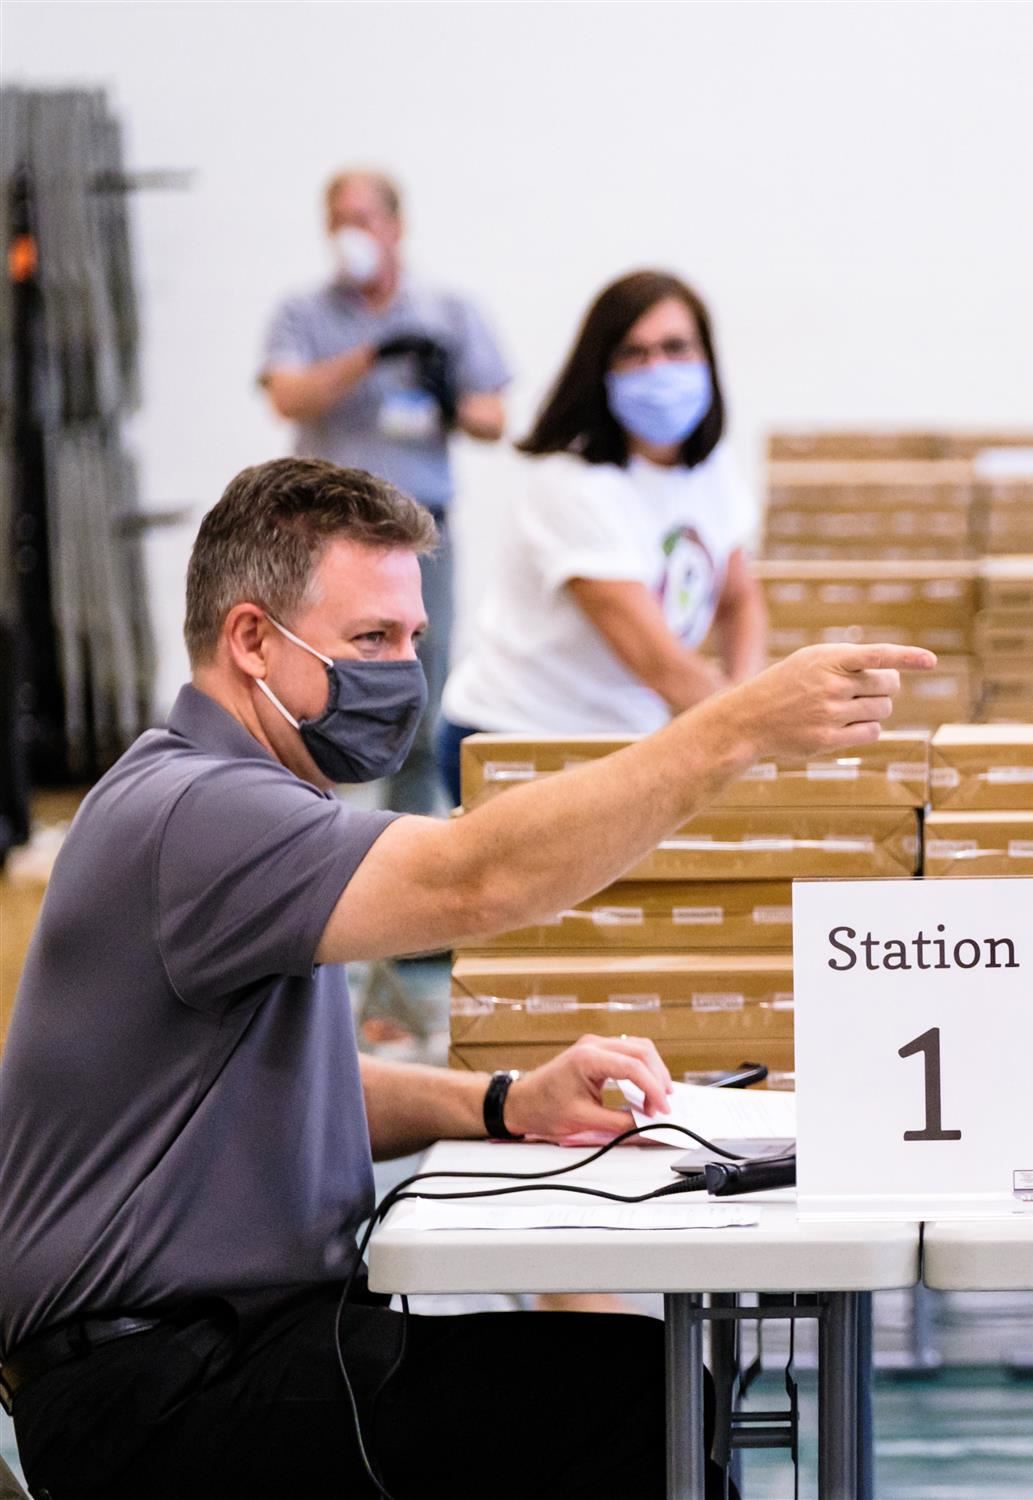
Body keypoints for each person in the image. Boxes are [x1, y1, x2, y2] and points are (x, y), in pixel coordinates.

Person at [0, 457, 931, 1498]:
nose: (401, 671)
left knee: (635, 1387)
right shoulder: (200, 812)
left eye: (411, 640)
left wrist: (504, 1101)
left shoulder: (222, 804)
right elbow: (479, 878)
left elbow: (297, 1090)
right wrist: (735, 728)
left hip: (212, 1354)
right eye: (368, 641)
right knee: (633, 1403)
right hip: (159, 1393)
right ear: (251, 639)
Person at [437, 269, 768, 806]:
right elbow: (657, 663)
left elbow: (740, 597)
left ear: (706, 358)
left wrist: (746, 692)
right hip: (518, 739)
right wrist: (754, 727)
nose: (657, 368)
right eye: (633, 354)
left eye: (675, 348)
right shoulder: (574, 488)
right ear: (602, 370)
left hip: (622, 739)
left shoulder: (708, 470)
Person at [260, 168, 512, 815]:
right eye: (338, 220)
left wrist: (447, 393)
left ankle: (407, 838)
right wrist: (370, 356)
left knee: (417, 694)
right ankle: (310, 831)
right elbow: (287, 393)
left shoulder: (449, 312)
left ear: (395, 226)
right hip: (322, 542)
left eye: (363, 218)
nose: (351, 234)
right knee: (317, 692)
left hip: (421, 539)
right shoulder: (303, 314)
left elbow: (494, 417)